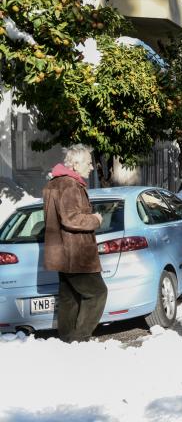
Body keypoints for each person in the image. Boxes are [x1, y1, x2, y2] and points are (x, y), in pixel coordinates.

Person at [43, 144, 106, 343]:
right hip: (77, 254)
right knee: (97, 293)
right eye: (88, 162)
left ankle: (67, 340)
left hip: (62, 254)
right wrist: (95, 219)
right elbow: (70, 219)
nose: (92, 167)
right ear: (76, 164)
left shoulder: (53, 184)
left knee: (69, 297)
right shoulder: (69, 185)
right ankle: (80, 338)